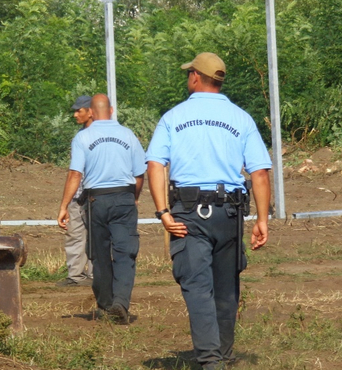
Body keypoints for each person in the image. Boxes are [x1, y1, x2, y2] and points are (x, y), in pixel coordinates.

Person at [145, 52, 271, 370]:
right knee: (227, 286)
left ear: (196, 78)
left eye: (189, 74)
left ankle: (211, 360)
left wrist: (163, 212)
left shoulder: (173, 117)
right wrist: (262, 219)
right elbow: (260, 172)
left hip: (188, 213)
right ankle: (224, 355)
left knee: (197, 286)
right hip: (230, 213)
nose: (188, 78)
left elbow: (155, 164)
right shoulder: (241, 118)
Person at [57, 94, 145, 323]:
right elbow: (139, 174)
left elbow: (76, 173)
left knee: (100, 255)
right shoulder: (128, 135)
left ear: (93, 113)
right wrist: (133, 198)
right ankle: (121, 302)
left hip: (96, 201)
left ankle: (106, 305)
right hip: (124, 197)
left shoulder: (83, 137)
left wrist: (64, 206)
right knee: (126, 253)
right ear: (112, 110)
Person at [56, 95, 94, 287]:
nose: (75, 114)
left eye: (79, 110)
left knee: (96, 236)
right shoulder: (80, 136)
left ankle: (97, 275)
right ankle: (76, 275)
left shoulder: (97, 134)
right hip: (78, 194)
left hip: (95, 195)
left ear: (91, 111)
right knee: (74, 234)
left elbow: (76, 173)